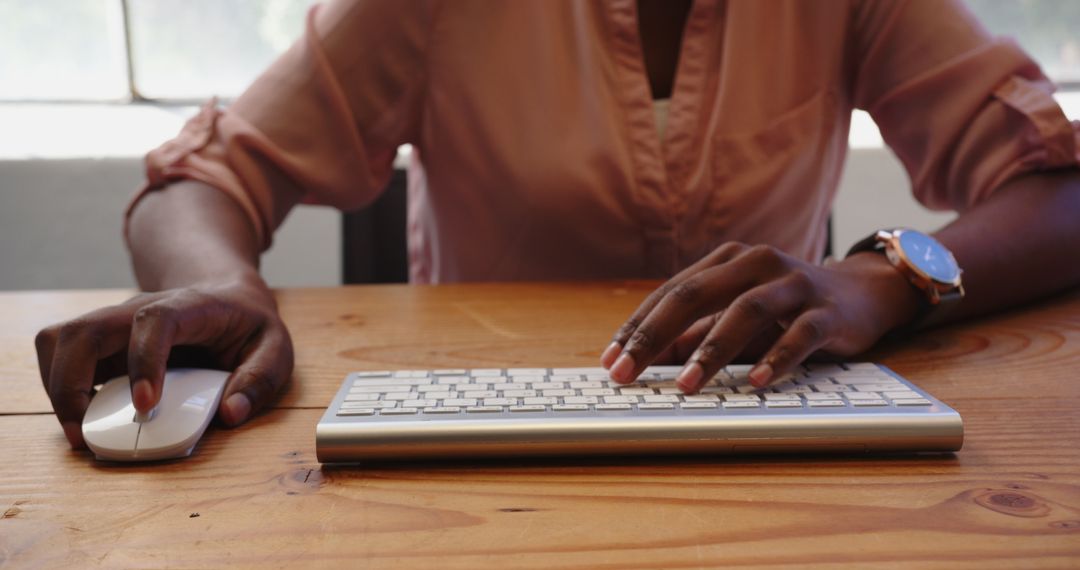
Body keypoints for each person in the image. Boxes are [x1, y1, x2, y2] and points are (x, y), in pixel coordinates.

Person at [36, 0, 1080, 449]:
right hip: (485, 453)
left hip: (767, 430)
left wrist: (886, 279)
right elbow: (203, 179)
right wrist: (229, 288)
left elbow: (1062, 189)